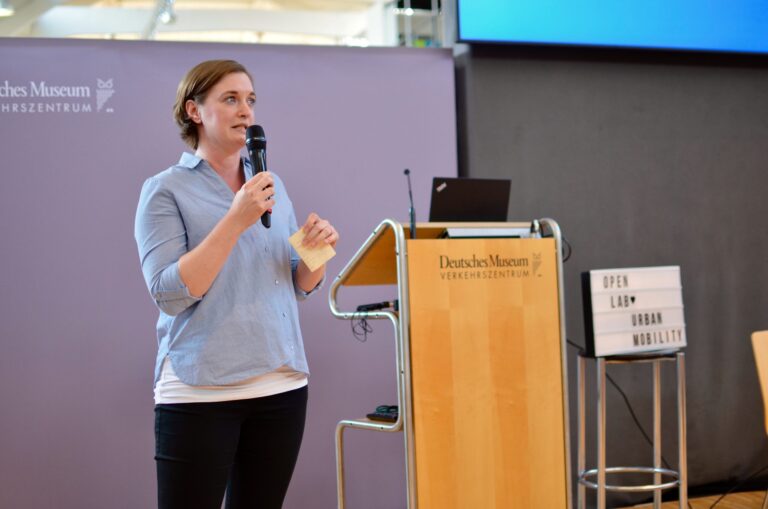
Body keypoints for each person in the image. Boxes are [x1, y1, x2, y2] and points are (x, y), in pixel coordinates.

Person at [134, 59, 338, 509]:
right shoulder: (165, 190)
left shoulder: (270, 183)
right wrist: (235, 218)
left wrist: (315, 251)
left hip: (280, 385)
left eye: (250, 100)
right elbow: (169, 293)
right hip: (199, 388)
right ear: (194, 110)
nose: (246, 111)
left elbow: (297, 285)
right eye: (230, 99)